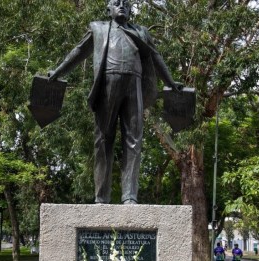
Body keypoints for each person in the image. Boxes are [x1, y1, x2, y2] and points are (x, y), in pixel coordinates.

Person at [48, 0, 181, 204]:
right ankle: (101, 196)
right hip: (108, 84)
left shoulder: (141, 32)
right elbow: (78, 51)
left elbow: (156, 57)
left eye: (126, 4)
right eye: (116, 3)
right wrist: (57, 72)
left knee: (134, 140)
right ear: (108, 9)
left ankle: (130, 197)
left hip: (134, 84)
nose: (122, 6)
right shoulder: (98, 28)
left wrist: (171, 83)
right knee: (102, 139)